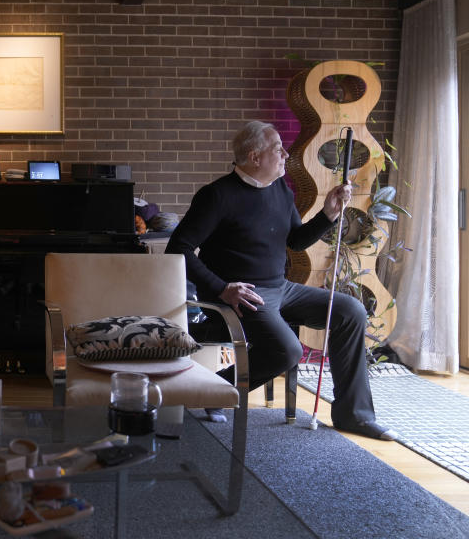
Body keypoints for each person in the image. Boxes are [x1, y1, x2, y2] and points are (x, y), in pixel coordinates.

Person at [165, 120, 397, 440]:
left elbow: (297, 241)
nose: (285, 154)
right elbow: (177, 249)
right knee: (288, 350)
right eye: (278, 148)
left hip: (281, 289)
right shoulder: (216, 196)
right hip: (242, 293)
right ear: (254, 156)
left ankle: (353, 415)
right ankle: (214, 390)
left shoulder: (279, 190)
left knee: (351, 311)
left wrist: (328, 213)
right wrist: (221, 288)